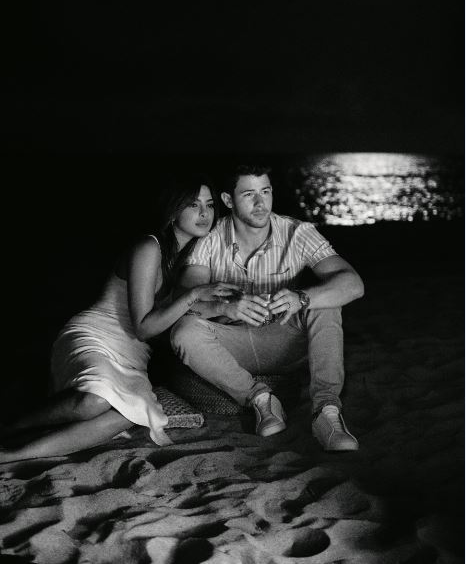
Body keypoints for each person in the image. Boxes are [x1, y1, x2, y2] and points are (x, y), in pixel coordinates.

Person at [0, 175, 238, 462]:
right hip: (97, 336)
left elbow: (172, 322)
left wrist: (225, 310)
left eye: (210, 205)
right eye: (193, 204)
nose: (204, 213)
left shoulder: (188, 262)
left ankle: (10, 455)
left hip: (133, 357)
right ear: (174, 210)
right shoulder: (149, 247)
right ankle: (10, 427)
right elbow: (143, 327)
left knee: (132, 413)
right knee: (95, 401)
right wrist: (195, 294)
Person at [171, 162, 364, 451]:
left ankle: (326, 412)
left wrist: (302, 298)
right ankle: (260, 399)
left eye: (266, 191)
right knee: (183, 331)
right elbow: (187, 300)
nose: (261, 203)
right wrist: (226, 307)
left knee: (326, 303)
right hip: (231, 345)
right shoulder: (210, 238)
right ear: (228, 200)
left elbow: (353, 284)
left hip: (285, 341)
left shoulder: (297, 232)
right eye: (249, 194)